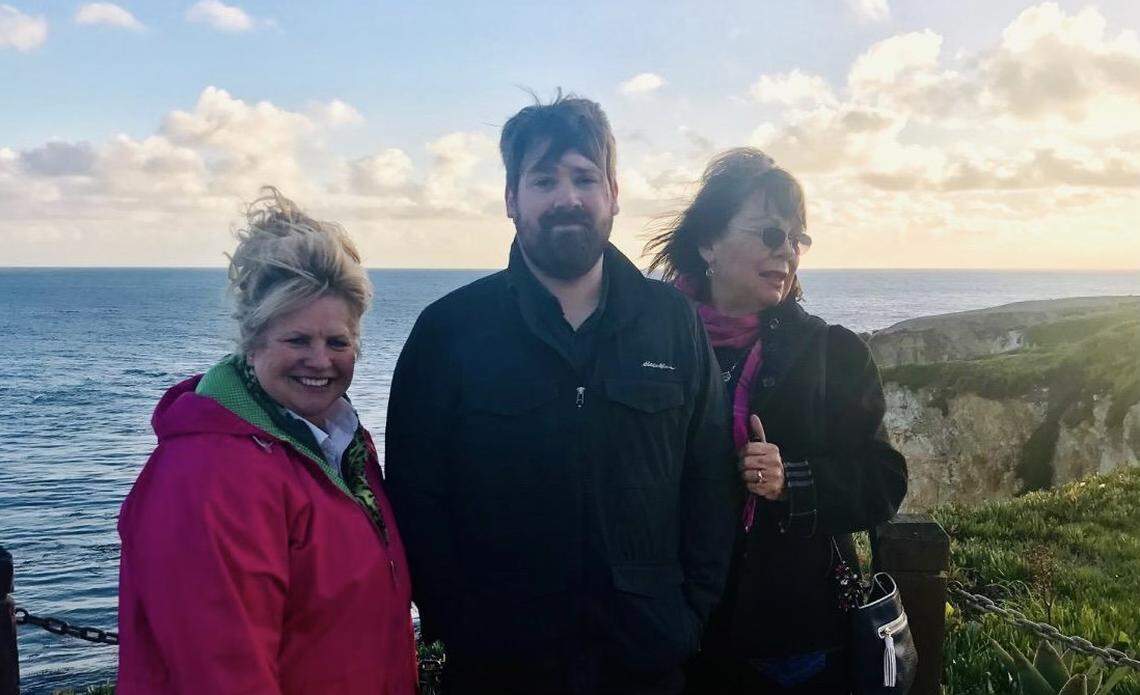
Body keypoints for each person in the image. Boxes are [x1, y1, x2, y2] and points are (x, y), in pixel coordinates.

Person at [385, 94, 738, 695]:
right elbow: (417, 499)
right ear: (511, 198)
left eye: (584, 177)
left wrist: (688, 615)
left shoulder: (672, 322)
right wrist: (462, 624)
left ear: (613, 193)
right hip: (500, 668)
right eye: (543, 179)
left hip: (646, 662)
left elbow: (709, 478)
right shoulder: (449, 332)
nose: (567, 197)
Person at [116, 188, 417, 694]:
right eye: (297, 340)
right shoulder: (211, 472)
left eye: (338, 342)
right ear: (252, 343)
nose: (320, 361)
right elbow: (222, 672)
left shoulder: (340, 445)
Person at [645, 148, 908, 694]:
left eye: (797, 238)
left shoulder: (833, 353)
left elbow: (884, 479)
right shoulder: (651, 345)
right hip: (669, 633)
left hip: (789, 642)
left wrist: (794, 480)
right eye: (770, 233)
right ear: (707, 243)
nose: (787, 250)